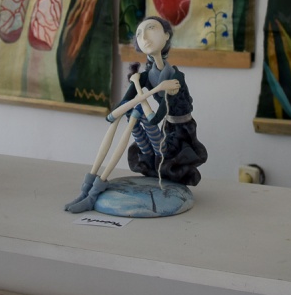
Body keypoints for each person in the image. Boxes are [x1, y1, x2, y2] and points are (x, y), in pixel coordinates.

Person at [65, 16, 207, 214]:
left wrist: (145, 91)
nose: (144, 37)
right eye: (139, 34)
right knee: (125, 116)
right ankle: (87, 188)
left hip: (180, 136)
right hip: (165, 129)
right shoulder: (145, 76)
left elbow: (155, 118)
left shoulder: (175, 77)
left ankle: (95, 191)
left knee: (136, 114)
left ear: (167, 35)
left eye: (151, 28)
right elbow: (118, 109)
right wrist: (142, 88)